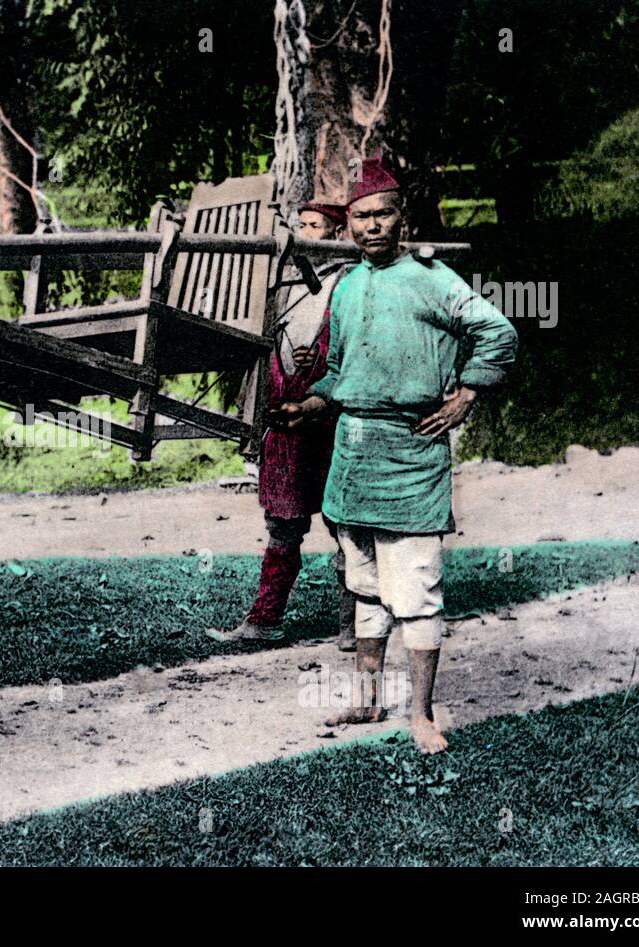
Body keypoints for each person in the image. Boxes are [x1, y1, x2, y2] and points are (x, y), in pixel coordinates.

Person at [280, 157, 517, 754]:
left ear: (400, 217)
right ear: (350, 224)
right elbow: (339, 371)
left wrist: (467, 392)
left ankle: (423, 715)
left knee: (414, 592)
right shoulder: (349, 284)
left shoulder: (433, 280)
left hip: (411, 454)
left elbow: (499, 333)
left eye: (381, 214)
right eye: (359, 217)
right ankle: (365, 698)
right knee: (362, 587)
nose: (370, 226)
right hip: (352, 457)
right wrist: (312, 405)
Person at [206, 198, 356, 648]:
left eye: (316, 226)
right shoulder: (284, 277)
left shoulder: (350, 280)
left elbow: (361, 346)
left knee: (344, 525)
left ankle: (354, 624)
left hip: (331, 420)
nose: (307, 232)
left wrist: (328, 357)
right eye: (302, 224)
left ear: (335, 233)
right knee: (284, 526)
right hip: (285, 419)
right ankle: (265, 620)